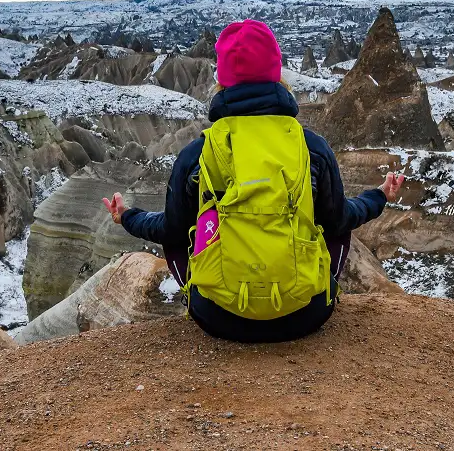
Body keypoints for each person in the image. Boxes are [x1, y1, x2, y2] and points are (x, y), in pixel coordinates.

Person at [103, 20, 404, 342]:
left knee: (185, 228)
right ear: (277, 76)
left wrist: (129, 217)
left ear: (223, 83)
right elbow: (340, 219)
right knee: (333, 227)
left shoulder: (198, 151)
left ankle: (197, 294)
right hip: (305, 315)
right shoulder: (311, 146)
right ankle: (322, 290)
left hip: (218, 316)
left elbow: (170, 231)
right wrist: (378, 196)